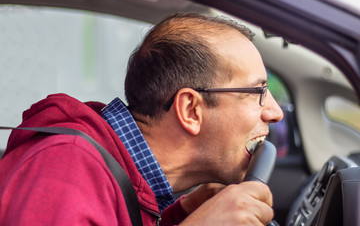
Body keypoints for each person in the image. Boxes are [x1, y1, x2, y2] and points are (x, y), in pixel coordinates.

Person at [0, 13, 283, 225]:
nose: (276, 112)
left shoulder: (130, 184)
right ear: (191, 111)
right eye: (257, 91)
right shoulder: (64, 169)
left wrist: (179, 218)